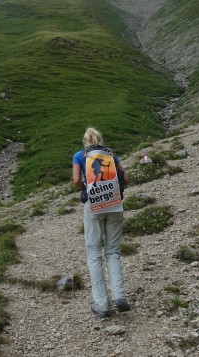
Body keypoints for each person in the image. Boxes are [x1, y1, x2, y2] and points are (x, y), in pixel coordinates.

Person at [72, 126, 130, 319]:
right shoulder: (111, 155)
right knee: (113, 252)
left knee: (94, 254)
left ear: (85, 142)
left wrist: (85, 190)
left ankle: (102, 305)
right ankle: (120, 296)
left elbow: (75, 180)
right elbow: (126, 178)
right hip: (114, 204)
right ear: (100, 141)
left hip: (93, 206)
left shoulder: (79, 156)